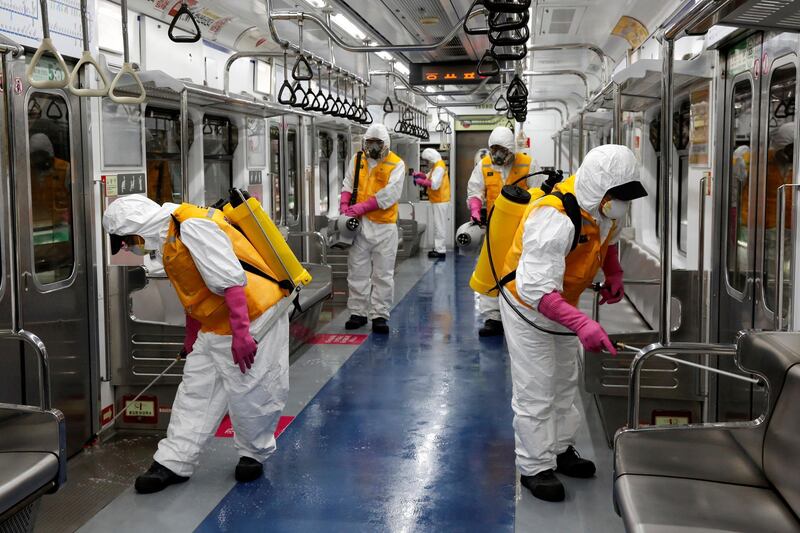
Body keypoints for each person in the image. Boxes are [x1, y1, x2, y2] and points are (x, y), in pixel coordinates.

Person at [103, 194, 289, 494]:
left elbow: (231, 281)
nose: (130, 248)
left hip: (253, 315)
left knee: (251, 389)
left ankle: (253, 453)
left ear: (139, 228)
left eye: (128, 241)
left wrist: (242, 334)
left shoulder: (192, 228)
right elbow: (192, 292)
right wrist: (191, 338)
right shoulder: (168, 238)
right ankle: (174, 461)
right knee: (195, 389)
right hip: (214, 323)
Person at [499, 145, 647, 502]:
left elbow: (608, 238)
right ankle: (535, 466)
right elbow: (536, 290)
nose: (622, 204)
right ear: (599, 187)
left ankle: (561, 449)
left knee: (565, 379)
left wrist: (614, 273)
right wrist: (582, 325)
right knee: (536, 385)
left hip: (563, 301)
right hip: (528, 304)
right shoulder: (553, 216)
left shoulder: (604, 208)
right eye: (618, 196)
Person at [466, 126, 533, 337]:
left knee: (519, 271)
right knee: (490, 269)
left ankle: (519, 313)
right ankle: (492, 317)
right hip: (495, 226)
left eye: (501, 150)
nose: (496, 155)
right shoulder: (484, 165)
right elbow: (474, 190)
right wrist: (476, 208)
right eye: (493, 149)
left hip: (523, 228)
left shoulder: (528, 163)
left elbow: (541, 194)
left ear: (511, 150)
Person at [340, 123, 406, 334]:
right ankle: (358, 312)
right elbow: (348, 184)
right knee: (357, 270)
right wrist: (344, 207)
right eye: (370, 143)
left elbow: (390, 194)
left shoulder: (396, 164)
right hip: (360, 226)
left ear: (386, 144)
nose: (374, 148)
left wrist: (360, 207)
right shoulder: (358, 159)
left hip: (385, 226)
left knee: (383, 274)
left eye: (378, 144)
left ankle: (379, 314)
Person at [413, 148, 450, 259]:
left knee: (439, 226)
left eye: (427, 160)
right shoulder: (437, 165)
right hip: (438, 200)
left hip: (440, 200)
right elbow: (429, 176)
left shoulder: (439, 166)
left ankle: (440, 250)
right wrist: (421, 175)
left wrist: (421, 182)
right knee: (438, 225)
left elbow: (434, 185)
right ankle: (438, 248)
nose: (427, 162)